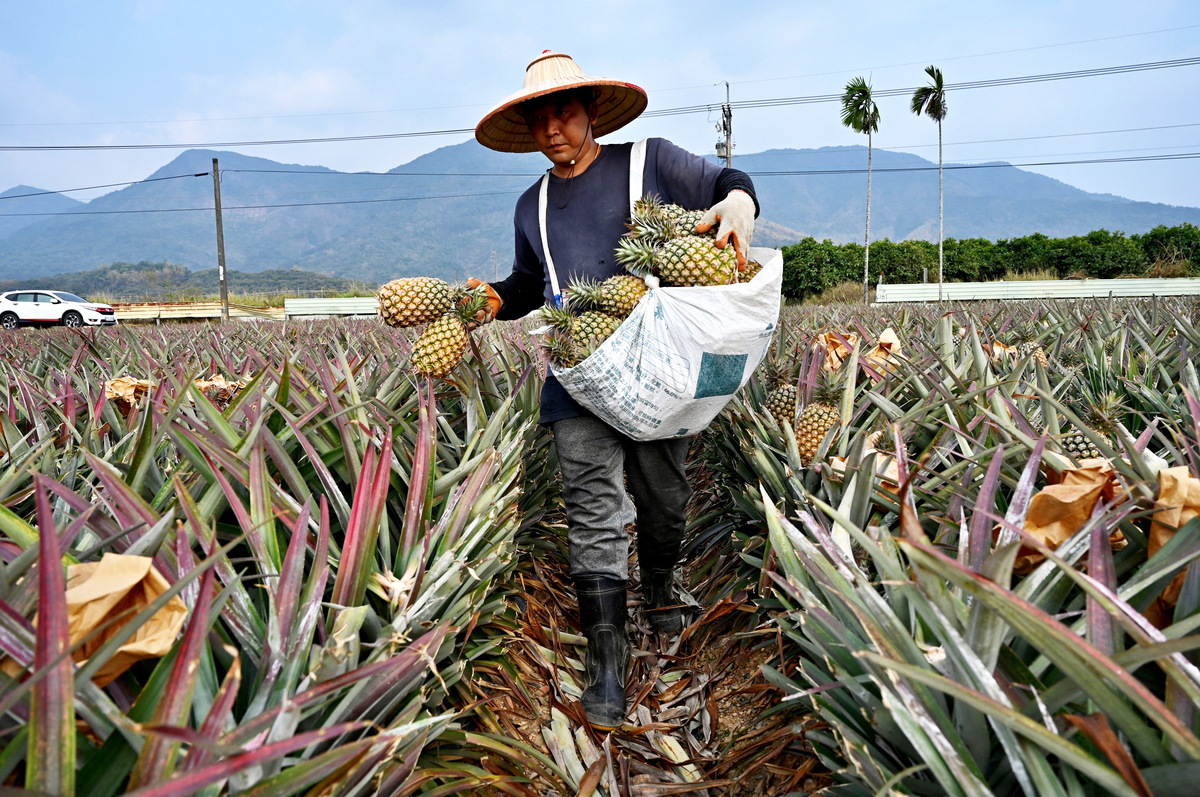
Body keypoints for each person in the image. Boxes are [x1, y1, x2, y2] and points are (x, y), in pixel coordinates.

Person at [470, 51, 759, 730]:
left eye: (563, 113)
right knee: (593, 507)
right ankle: (607, 651)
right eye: (538, 119)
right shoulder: (530, 204)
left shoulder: (649, 163)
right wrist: (490, 299)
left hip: (658, 368)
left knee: (664, 498)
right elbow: (525, 285)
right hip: (577, 375)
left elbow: (728, 179)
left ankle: (660, 584)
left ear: (591, 112)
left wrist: (738, 204)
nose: (551, 129)